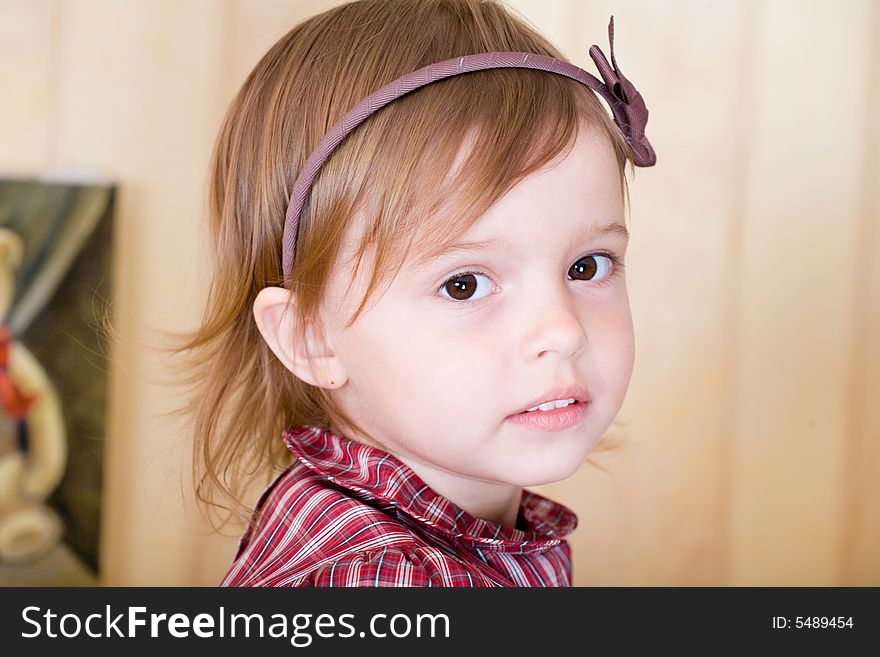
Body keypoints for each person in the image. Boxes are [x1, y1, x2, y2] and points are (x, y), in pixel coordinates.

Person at [175, 0, 656, 587]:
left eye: (587, 266)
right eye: (464, 284)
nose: (564, 330)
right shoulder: (376, 580)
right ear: (309, 336)